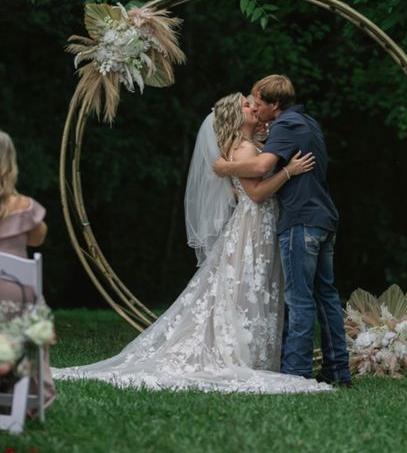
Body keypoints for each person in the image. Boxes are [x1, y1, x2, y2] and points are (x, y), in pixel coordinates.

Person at [52, 93, 332, 394]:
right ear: (235, 117)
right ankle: (248, 355)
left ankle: (259, 354)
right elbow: (256, 194)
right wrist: (289, 172)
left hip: (257, 225)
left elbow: (241, 190)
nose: (253, 108)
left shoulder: (249, 147)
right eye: (246, 106)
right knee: (250, 286)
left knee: (255, 287)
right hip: (253, 228)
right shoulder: (244, 147)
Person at [213, 76, 352, 387]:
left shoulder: (285, 126)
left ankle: (296, 373)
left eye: (258, 103)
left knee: (299, 299)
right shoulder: (306, 121)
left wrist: (225, 168)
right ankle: (338, 372)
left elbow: (261, 168)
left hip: (302, 221)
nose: (254, 108)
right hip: (322, 218)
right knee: (326, 296)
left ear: (275, 105)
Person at [0, 130, 56, 410]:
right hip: (14, 298)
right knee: (34, 311)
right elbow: (36, 239)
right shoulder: (26, 207)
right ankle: (25, 395)